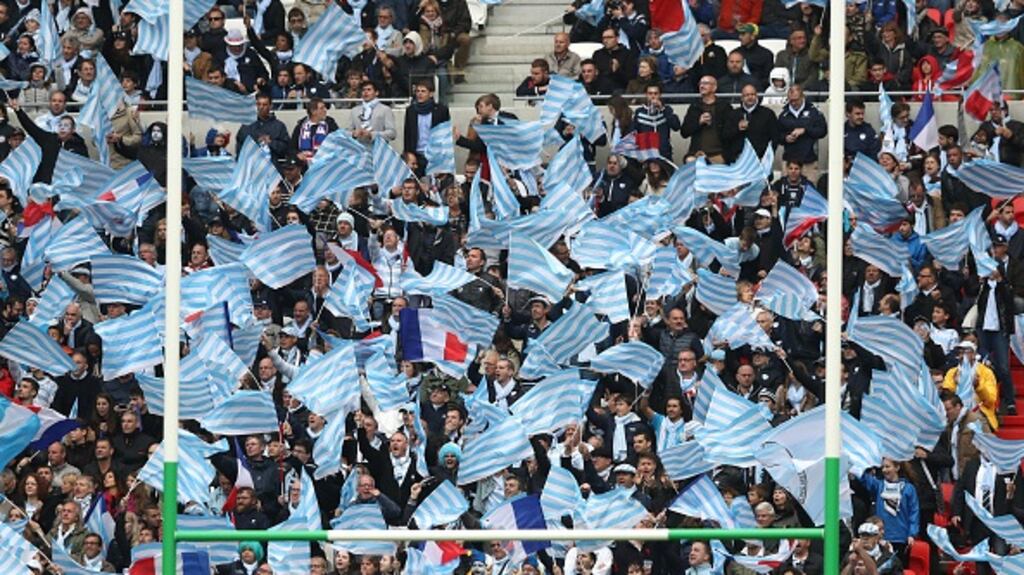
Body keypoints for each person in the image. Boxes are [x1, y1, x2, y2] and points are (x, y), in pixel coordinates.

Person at [679, 75, 731, 161]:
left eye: (705, 83)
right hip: (697, 152)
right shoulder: (694, 107)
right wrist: (698, 122)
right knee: (690, 161)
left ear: (714, 88)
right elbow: (684, 132)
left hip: (719, 153)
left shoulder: (724, 107)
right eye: (700, 84)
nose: (702, 86)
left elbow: (730, 132)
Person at [236, 93, 290, 159]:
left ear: (270, 106)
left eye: (264, 105)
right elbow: (240, 146)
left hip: (272, 165)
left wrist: (271, 142)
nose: (261, 107)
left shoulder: (279, 126)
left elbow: (286, 148)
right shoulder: (247, 125)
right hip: (251, 165)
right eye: (259, 104)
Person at [349, 80, 397, 145]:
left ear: (376, 93)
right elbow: (348, 131)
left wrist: (372, 135)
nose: (366, 92)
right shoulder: (355, 110)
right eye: (363, 90)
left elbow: (392, 133)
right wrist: (353, 134)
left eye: (369, 90)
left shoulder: (385, 110)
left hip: (378, 149)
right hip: (358, 149)